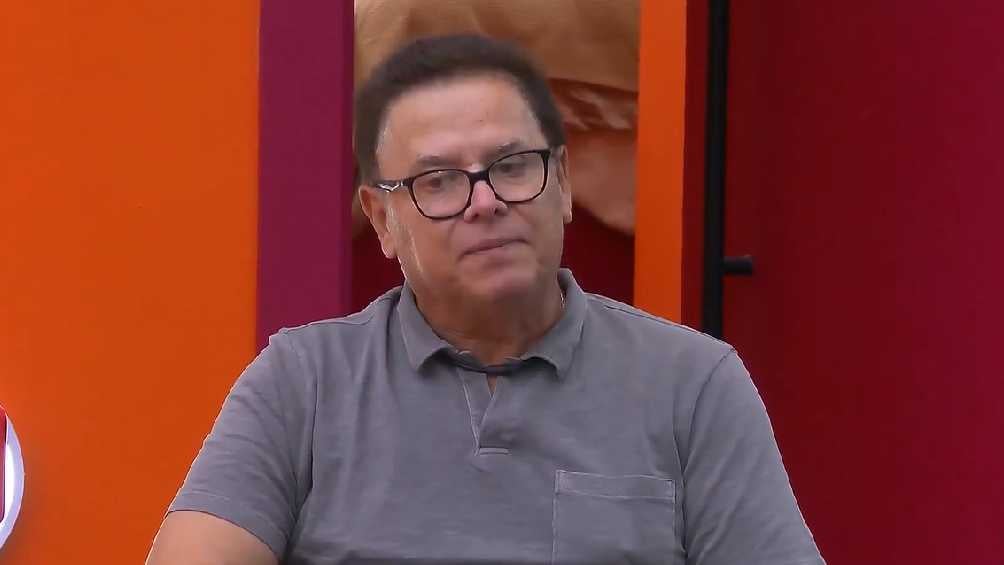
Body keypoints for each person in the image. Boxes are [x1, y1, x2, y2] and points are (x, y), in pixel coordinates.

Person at [147, 34, 824, 565]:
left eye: (512, 166)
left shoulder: (692, 384)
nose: (485, 202)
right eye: (439, 180)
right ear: (382, 221)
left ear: (563, 185)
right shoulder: (304, 381)